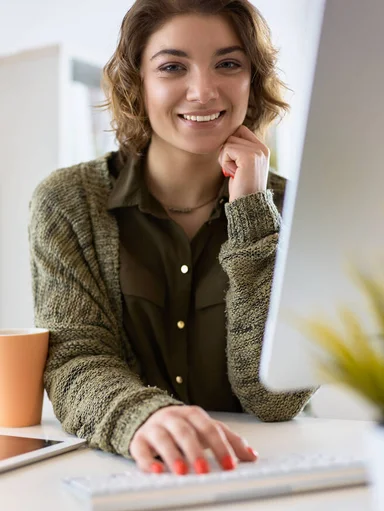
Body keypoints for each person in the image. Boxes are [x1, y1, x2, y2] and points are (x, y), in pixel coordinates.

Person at [29, 0, 313, 477]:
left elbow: (275, 399)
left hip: (264, 471)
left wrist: (250, 210)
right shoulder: (68, 203)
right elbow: (75, 359)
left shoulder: (297, 210)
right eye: (172, 67)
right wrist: (145, 419)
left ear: (252, 79)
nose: (202, 91)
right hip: (126, 469)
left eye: (228, 64)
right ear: (137, 82)